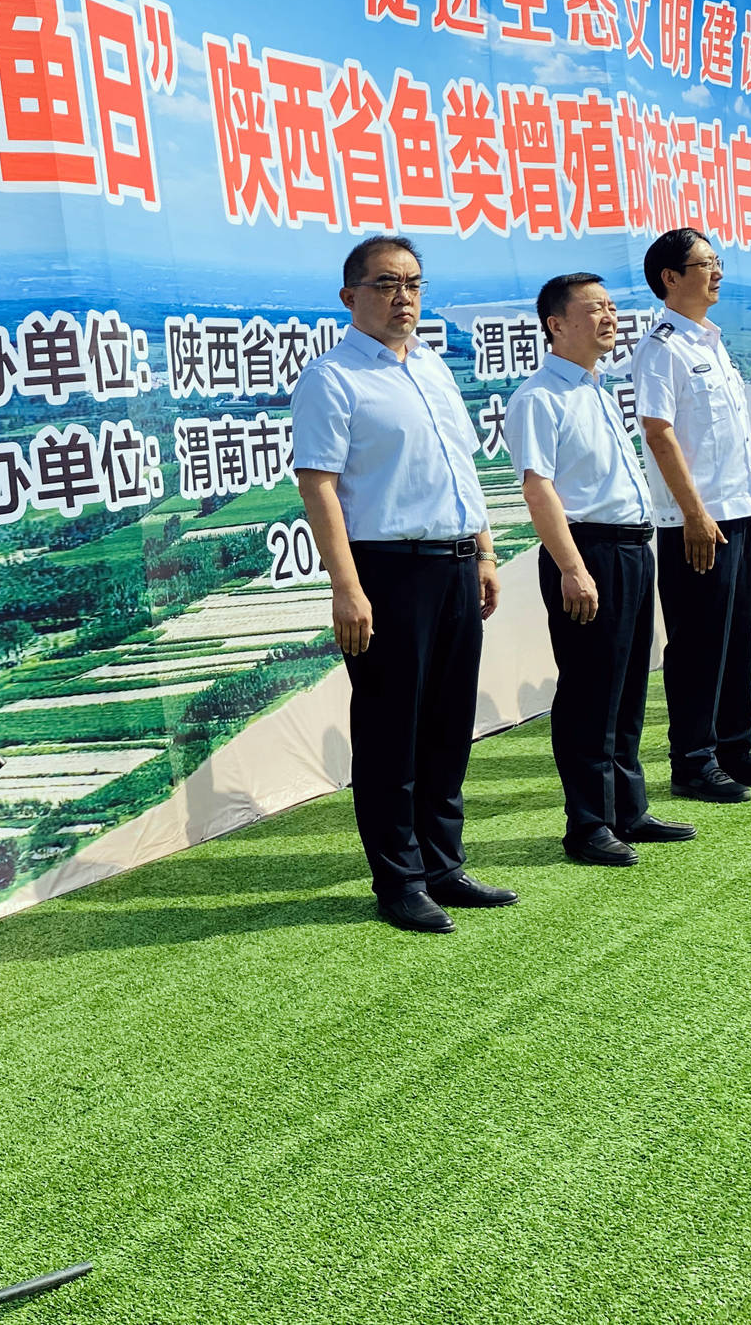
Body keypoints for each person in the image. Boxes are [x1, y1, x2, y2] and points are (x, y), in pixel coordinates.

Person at [292, 234, 518, 933]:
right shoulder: (332, 379)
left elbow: (461, 472)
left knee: (449, 726)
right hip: (388, 571)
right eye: (387, 284)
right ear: (350, 296)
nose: (404, 298)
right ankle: (399, 880)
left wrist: (483, 551)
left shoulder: (432, 368)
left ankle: (443, 865)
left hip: (454, 565)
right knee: (392, 731)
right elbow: (319, 487)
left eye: (413, 283)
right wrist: (347, 588)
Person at [505, 273, 696, 867]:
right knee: (590, 692)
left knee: (629, 686)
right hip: (588, 553)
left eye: (612, 307)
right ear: (556, 324)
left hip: (633, 551)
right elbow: (540, 491)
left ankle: (627, 810)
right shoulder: (540, 397)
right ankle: (587, 825)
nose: (609, 318)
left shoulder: (596, 388)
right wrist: (572, 568)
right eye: (594, 309)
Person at [630, 228, 751, 803]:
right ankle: (693, 760)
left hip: (733, 514)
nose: (717, 273)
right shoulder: (662, 348)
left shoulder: (712, 343)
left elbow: (729, 440)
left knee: (734, 640)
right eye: (704, 264)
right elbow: (660, 433)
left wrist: (747, 503)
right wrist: (696, 514)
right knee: (699, 643)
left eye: (718, 262)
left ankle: (735, 746)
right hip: (692, 523)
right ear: (670, 279)